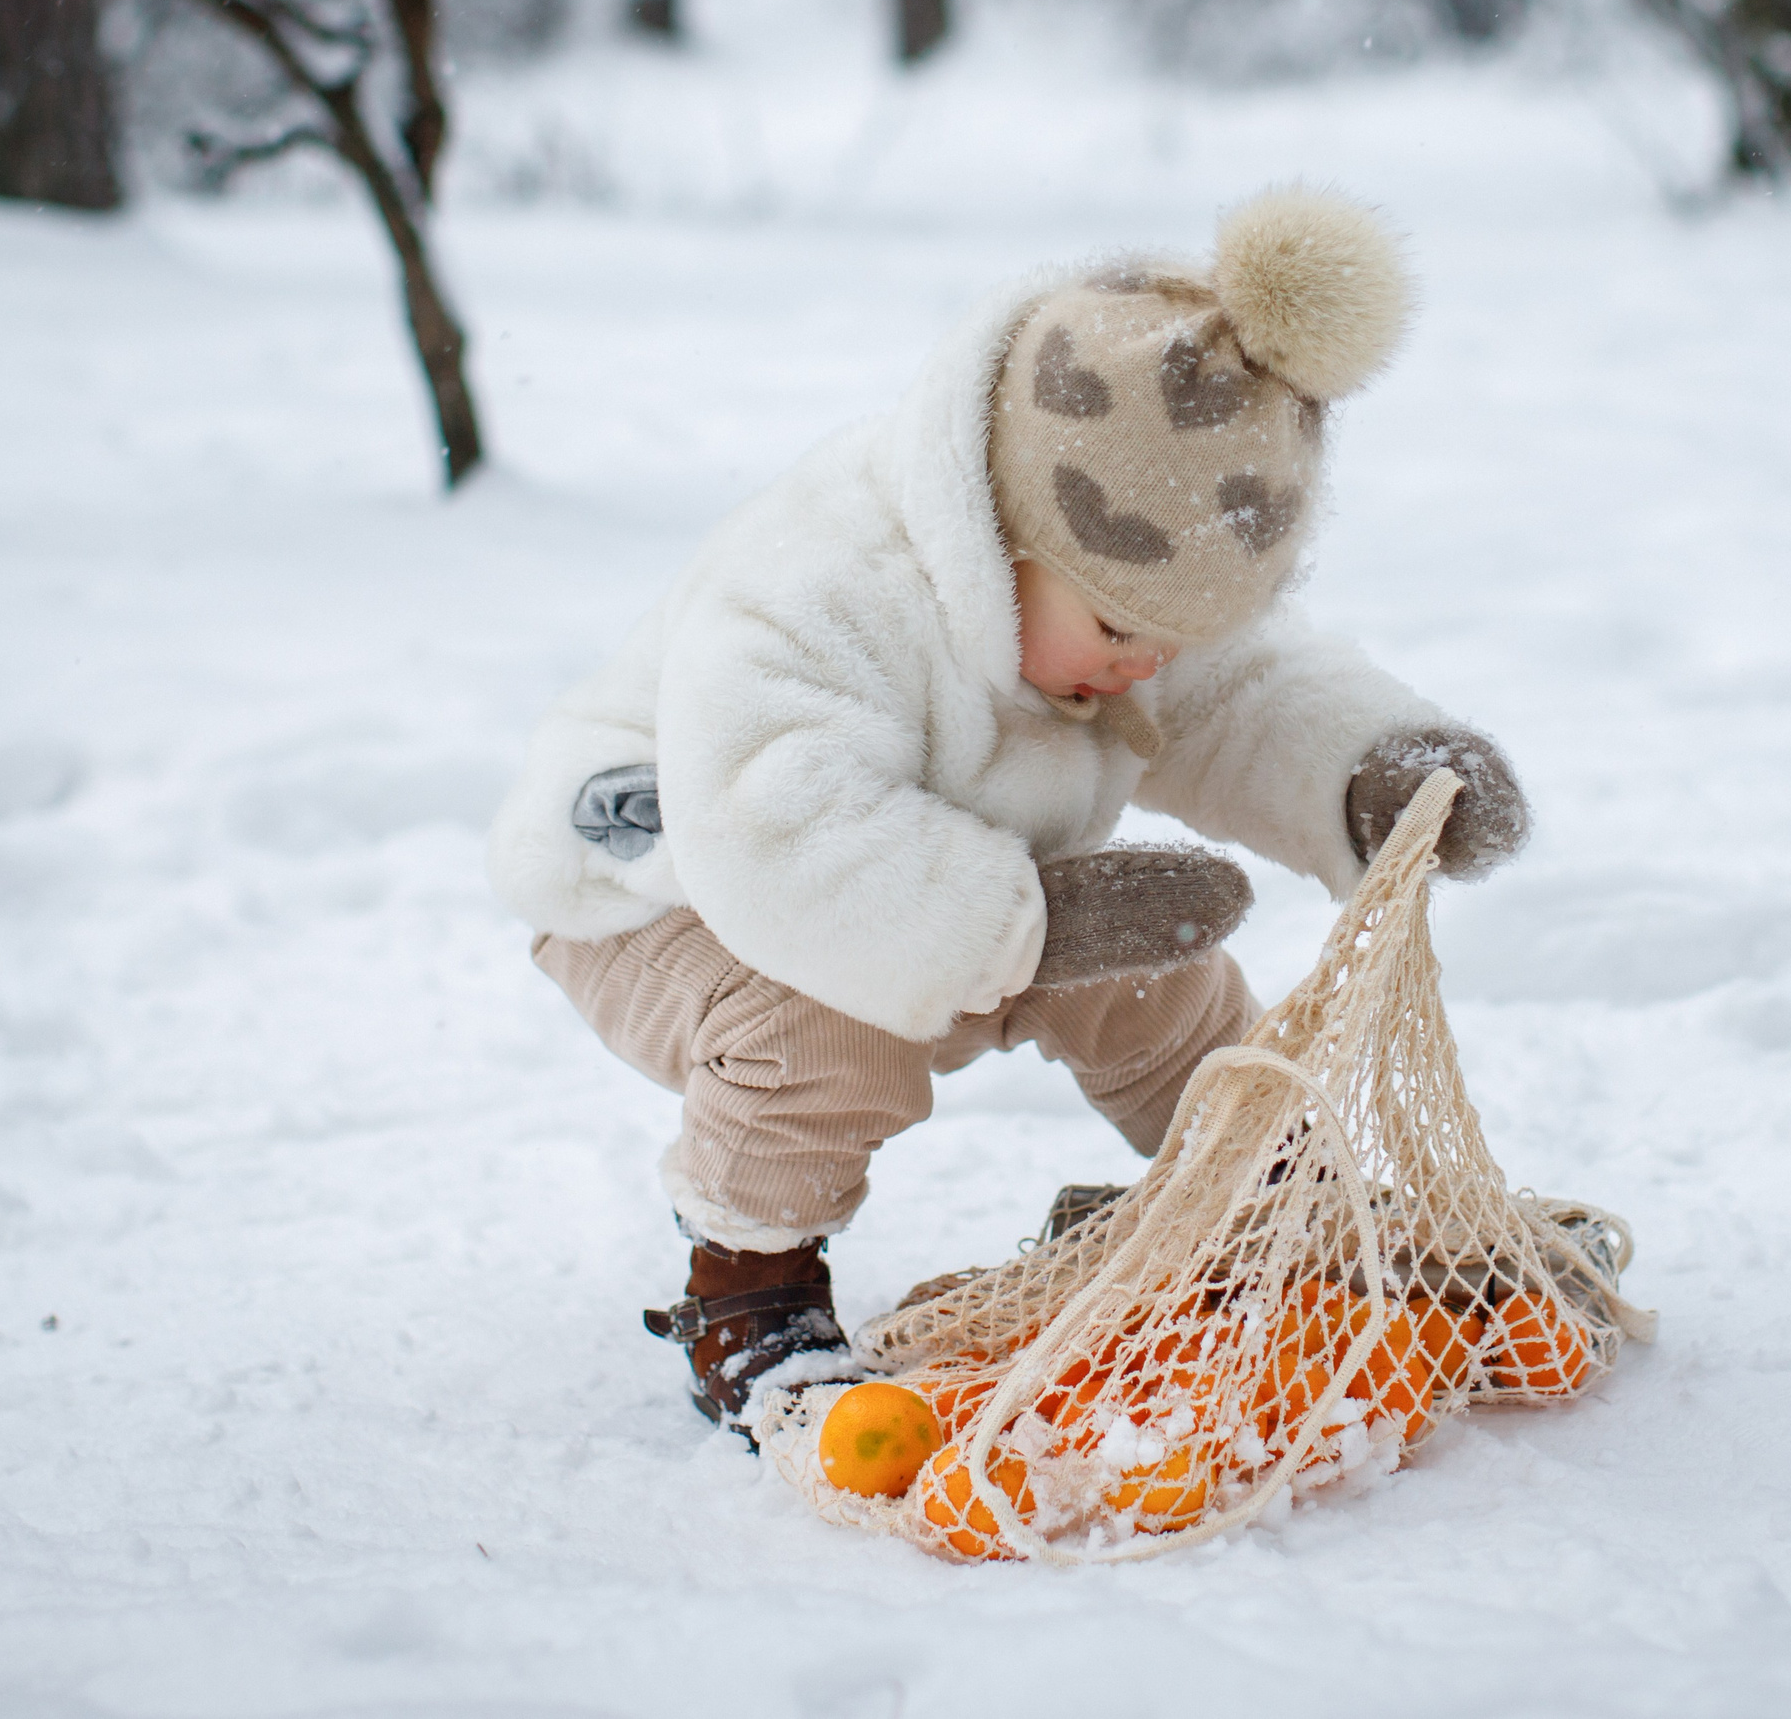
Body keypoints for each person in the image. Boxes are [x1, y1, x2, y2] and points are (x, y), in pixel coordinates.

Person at [486, 188, 1531, 1439]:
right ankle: (746, 1288)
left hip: (957, 885)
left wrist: (1370, 772)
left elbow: (1239, 692)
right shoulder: (819, 589)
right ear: (1002, 535)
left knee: (1159, 976)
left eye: (1175, 637)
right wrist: (1034, 927)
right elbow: (775, 833)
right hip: (668, 891)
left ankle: (1265, 1205)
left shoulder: (1106, 591)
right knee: (825, 1032)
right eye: (1121, 632)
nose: (1148, 665)